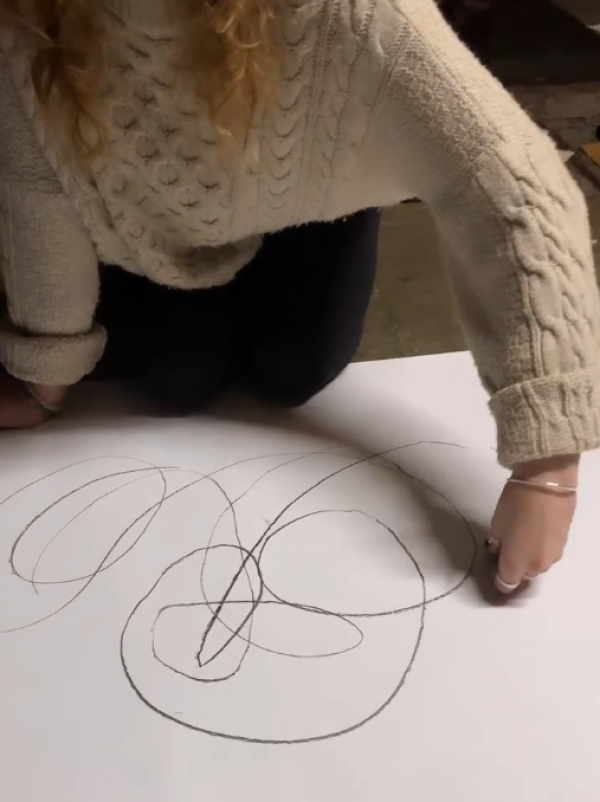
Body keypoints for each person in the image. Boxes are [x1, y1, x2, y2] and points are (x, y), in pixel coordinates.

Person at [0, 0, 598, 597]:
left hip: (309, 175)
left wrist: (546, 468)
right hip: (143, 211)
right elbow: (36, 185)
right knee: (176, 381)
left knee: (297, 369)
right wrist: (47, 368)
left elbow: (513, 180)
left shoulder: (357, 12)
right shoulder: (30, 17)